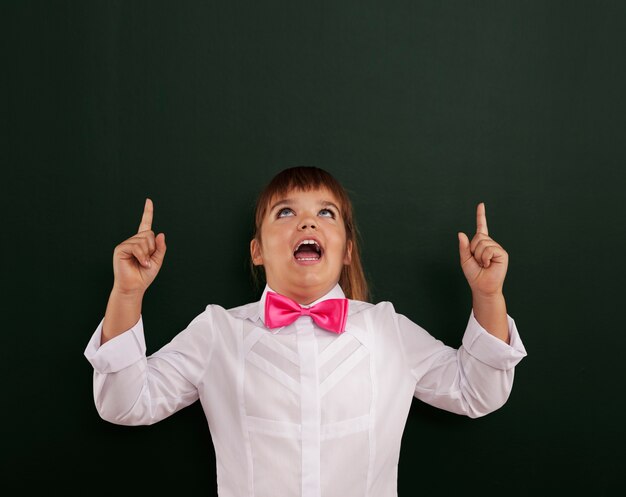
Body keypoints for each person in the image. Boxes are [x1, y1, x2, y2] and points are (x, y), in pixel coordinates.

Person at [84, 166, 527, 497]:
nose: (308, 222)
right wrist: (127, 294)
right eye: (286, 211)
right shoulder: (217, 332)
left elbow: (477, 392)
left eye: (326, 213)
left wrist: (488, 295)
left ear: (347, 250)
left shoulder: (387, 329)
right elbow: (124, 404)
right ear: (257, 250)